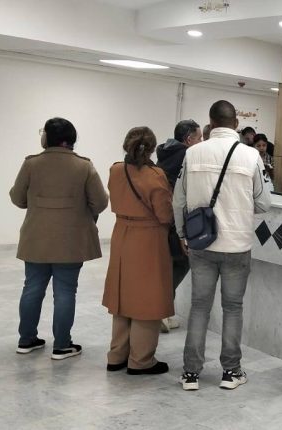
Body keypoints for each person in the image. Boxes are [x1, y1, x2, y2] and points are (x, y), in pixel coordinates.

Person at [173, 100, 271, 391]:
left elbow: (178, 200)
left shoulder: (192, 153)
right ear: (236, 124)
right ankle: (231, 372)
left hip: (201, 243)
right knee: (233, 308)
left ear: (211, 122)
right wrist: (239, 204)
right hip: (237, 245)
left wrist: (182, 234)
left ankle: (191, 374)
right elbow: (264, 203)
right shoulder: (251, 155)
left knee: (199, 307)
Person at [10, 117, 108, 360]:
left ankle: (26, 340)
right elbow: (100, 202)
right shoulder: (84, 166)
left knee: (32, 288)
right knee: (65, 292)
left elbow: (17, 198)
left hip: (36, 239)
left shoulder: (31, 164)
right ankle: (62, 345)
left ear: (47, 137)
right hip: (71, 241)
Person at [102, 126, 174, 375]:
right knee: (147, 298)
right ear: (152, 148)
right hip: (149, 238)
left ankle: (117, 355)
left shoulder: (116, 170)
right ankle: (141, 360)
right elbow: (164, 214)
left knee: (121, 296)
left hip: (121, 234)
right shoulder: (156, 175)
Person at [156, 119, 202, 332]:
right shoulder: (187, 155)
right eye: (199, 138)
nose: (202, 142)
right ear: (189, 139)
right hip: (178, 219)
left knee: (169, 266)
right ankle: (161, 311)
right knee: (181, 263)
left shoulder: (165, 153)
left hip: (162, 219)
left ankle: (162, 312)